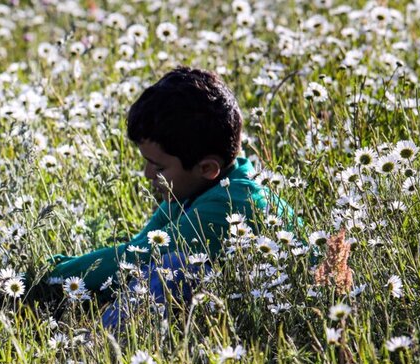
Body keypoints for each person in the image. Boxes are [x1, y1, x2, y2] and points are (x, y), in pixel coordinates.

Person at [42, 67, 298, 329]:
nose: (147, 174)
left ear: (207, 168)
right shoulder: (195, 186)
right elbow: (140, 245)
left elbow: (133, 260)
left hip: (284, 313)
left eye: (159, 167)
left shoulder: (232, 204)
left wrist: (48, 275)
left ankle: (98, 348)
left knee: (173, 268)